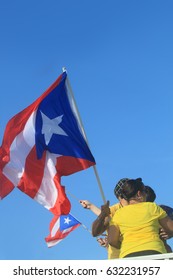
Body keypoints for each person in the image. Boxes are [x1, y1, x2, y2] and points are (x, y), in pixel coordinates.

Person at [106, 178, 173, 258]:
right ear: (139, 194)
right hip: (154, 252)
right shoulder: (152, 207)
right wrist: (168, 234)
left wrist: (125, 246)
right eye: (144, 191)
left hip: (128, 255)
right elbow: (171, 228)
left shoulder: (118, 214)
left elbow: (112, 241)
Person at [80, 178, 130, 259]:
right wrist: (91, 206)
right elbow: (105, 217)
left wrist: (91, 206)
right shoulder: (115, 209)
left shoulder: (143, 206)